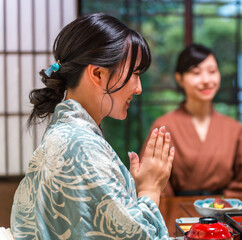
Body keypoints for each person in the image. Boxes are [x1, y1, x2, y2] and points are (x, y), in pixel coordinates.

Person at [10, 13, 174, 240]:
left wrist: (131, 190)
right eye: (135, 74)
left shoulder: (72, 135)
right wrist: (150, 189)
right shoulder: (78, 145)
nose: (138, 88)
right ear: (98, 73)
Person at [141, 44, 242, 198]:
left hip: (223, 212)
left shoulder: (233, 128)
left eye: (212, 71)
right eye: (196, 72)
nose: (206, 80)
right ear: (180, 79)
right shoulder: (164, 126)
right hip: (177, 214)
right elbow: (152, 183)